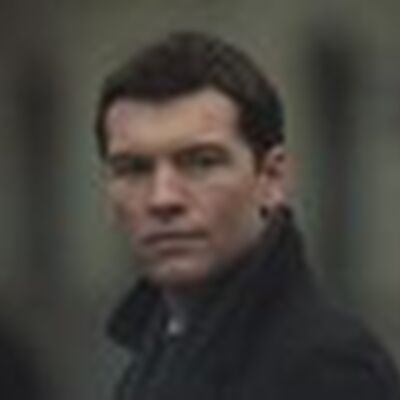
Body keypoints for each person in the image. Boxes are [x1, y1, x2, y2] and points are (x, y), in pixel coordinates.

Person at [94, 32, 400, 400]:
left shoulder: (328, 368)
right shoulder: (156, 346)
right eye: (133, 169)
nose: (163, 198)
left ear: (271, 179)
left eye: (201, 162)